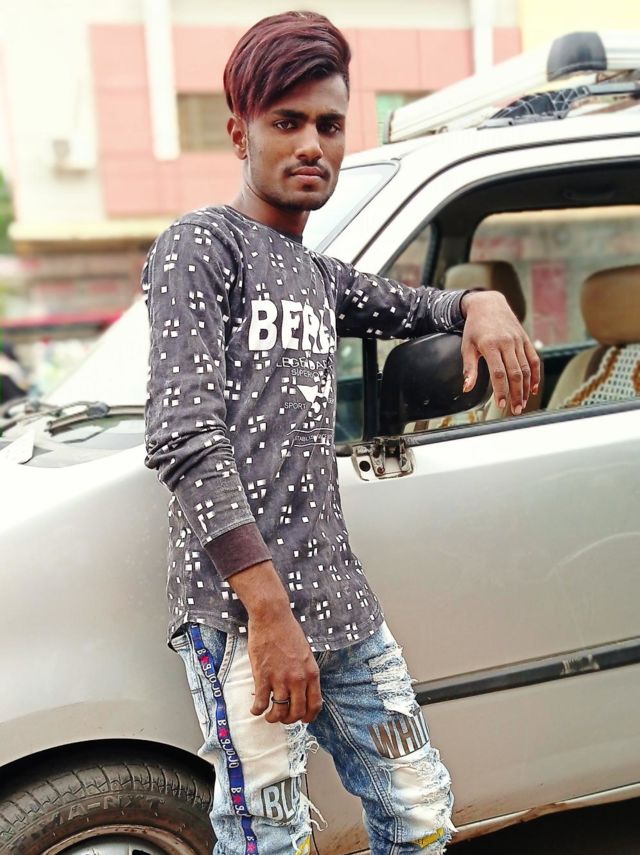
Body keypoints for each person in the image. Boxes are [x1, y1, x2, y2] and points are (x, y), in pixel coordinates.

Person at [142, 11, 540, 855]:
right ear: (240, 132)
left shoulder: (319, 277)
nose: (311, 145)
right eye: (286, 122)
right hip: (244, 616)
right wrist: (269, 613)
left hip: (342, 605)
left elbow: (415, 306)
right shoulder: (201, 246)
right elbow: (184, 437)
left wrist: (480, 300)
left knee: (420, 811)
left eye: (328, 124)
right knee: (269, 836)